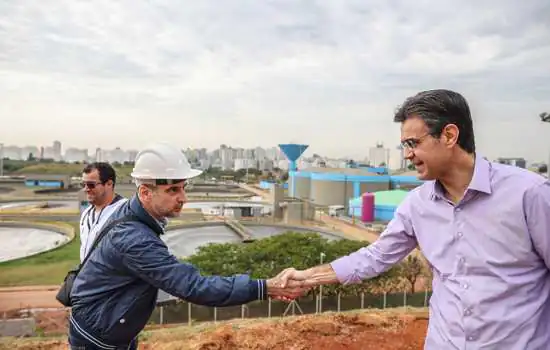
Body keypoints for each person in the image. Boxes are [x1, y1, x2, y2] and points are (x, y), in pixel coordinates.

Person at [277, 89, 550, 349]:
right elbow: (374, 257)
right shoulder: (417, 205)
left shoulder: (529, 194)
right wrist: (308, 278)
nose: (407, 154)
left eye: (413, 143)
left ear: (449, 135)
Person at [68, 142, 305, 349]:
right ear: (145, 192)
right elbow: (194, 286)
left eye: (183, 188)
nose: (183, 198)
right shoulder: (134, 239)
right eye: (172, 189)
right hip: (97, 339)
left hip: (109, 326)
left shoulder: (132, 215)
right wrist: (266, 287)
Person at [79, 162, 127, 262]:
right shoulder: (86, 214)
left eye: (91, 185)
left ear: (109, 184)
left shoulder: (125, 211)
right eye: (83, 184)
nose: (86, 189)